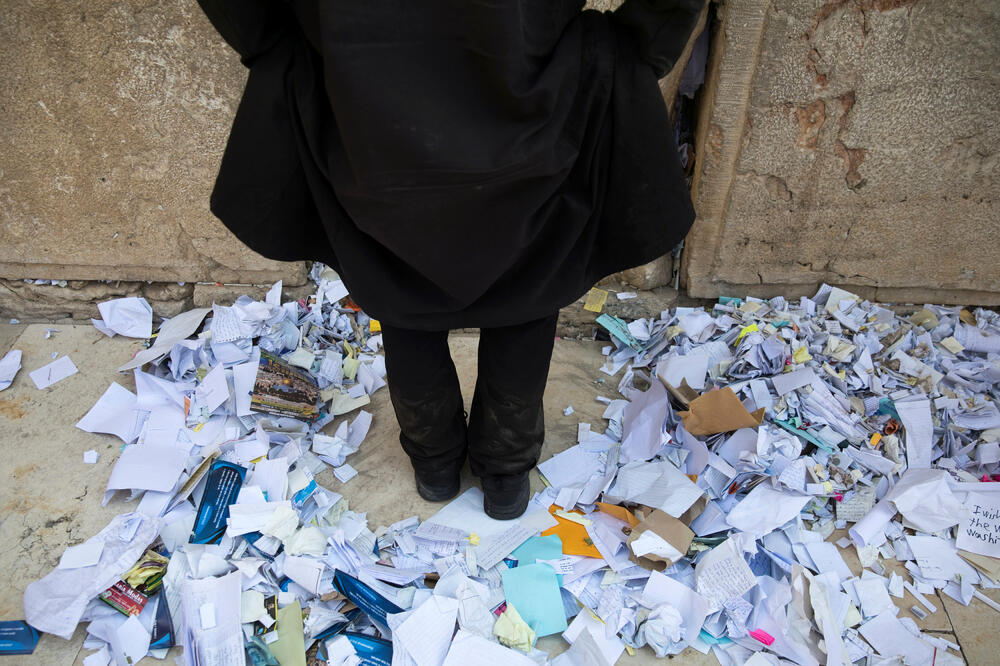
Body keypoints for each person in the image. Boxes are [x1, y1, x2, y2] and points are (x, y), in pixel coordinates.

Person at [198, 0, 705, 519]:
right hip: (536, 93)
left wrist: (276, 43)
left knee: (398, 280)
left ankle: (435, 466)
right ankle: (505, 476)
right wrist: (632, 45)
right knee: (530, 281)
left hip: (365, 98)